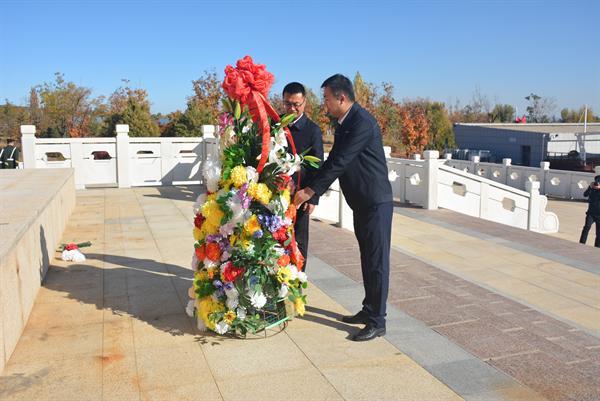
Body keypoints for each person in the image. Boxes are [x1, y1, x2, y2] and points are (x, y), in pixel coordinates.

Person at [293, 74, 393, 342]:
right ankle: (369, 309)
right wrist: (312, 194)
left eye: (326, 98)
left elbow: (341, 162)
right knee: (367, 258)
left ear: (341, 98)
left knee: (377, 261)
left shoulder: (362, 123)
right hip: (361, 202)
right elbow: (333, 159)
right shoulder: (344, 122)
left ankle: (377, 321)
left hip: (375, 202)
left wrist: (309, 191)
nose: (324, 104)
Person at [283, 82, 324, 271]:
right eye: (287, 103)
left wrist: (313, 197)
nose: (291, 108)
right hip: (275, 194)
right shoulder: (277, 125)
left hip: (300, 197)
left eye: (296, 104)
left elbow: (318, 165)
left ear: (304, 102)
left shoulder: (312, 130)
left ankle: (297, 281)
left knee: (299, 240)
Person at [579, 175, 600, 247]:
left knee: (599, 233)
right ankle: (581, 244)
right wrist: (590, 187)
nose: (597, 183)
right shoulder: (592, 187)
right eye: (597, 180)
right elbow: (585, 194)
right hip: (591, 212)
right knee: (586, 227)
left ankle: (597, 247)